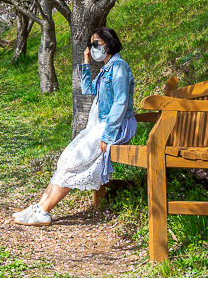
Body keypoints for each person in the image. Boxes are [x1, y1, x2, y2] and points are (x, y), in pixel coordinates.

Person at [13, 27, 136, 226]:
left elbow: (121, 103)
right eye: (90, 44)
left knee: (73, 160)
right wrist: (87, 59)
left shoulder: (119, 67)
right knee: (67, 160)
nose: (92, 48)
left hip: (115, 127)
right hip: (103, 126)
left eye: (95, 44)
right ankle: (40, 207)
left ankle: (43, 211)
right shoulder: (107, 68)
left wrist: (108, 134)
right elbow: (88, 89)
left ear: (108, 42)